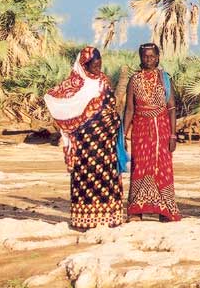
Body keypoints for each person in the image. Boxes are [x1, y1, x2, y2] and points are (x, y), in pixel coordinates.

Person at [44, 46, 126, 229]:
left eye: (100, 64)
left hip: (105, 143)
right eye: (94, 65)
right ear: (84, 64)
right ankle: (84, 219)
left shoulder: (103, 81)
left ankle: (109, 217)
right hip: (85, 144)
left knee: (107, 178)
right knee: (85, 179)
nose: (98, 68)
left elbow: (111, 105)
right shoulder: (74, 84)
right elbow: (55, 100)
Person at [124, 43, 182, 222]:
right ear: (140, 58)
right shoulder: (134, 80)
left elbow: (171, 107)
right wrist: (122, 135)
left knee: (162, 168)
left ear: (158, 57)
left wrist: (173, 135)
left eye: (152, 56)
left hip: (162, 130)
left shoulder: (165, 78)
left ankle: (164, 210)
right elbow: (129, 109)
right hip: (141, 130)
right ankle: (136, 210)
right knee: (139, 167)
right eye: (145, 56)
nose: (149, 59)